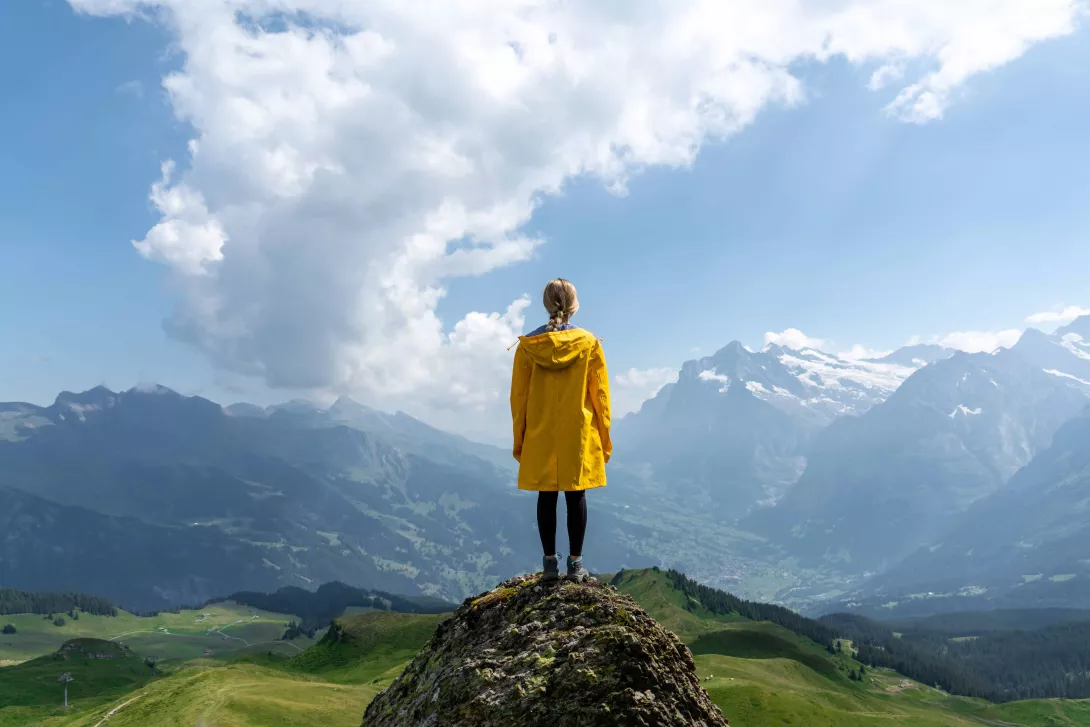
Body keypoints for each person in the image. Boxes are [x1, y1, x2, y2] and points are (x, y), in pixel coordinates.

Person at [510, 278, 612, 582]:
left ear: (546, 305)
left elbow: (519, 398)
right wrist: (604, 438)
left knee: (546, 494)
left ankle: (550, 564)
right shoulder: (589, 343)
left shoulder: (529, 347)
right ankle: (576, 563)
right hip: (577, 432)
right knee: (575, 494)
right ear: (574, 306)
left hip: (541, 429)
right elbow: (601, 397)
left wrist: (521, 439)